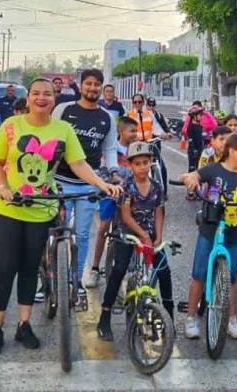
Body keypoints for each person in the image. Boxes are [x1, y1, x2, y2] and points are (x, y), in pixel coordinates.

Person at [0, 78, 121, 357]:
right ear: (29, 98)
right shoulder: (11, 126)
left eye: (47, 94)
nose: (42, 98)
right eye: (36, 93)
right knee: (5, 268)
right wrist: (4, 188)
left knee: (29, 268)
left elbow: (78, 163)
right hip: (8, 209)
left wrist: (101, 184)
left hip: (42, 210)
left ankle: (23, 325)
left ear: (54, 98)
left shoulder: (63, 129)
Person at [181, 133, 237, 340]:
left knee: (232, 278)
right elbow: (196, 175)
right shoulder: (214, 169)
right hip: (210, 230)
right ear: (232, 150)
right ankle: (191, 318)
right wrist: (191, 178)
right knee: (199, 274)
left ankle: (231, 318)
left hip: (234, 234)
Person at [96, 141, 172, 341]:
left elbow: (158, 212)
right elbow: (127, 217)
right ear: (130, 165)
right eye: (137, 163)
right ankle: (104, 318)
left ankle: (169, 315)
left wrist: (158, 236)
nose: (142, 167)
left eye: (146, 162)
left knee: (163, 270)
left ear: (151, 163)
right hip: (127, 232)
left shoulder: (156, 187)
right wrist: (143, 236)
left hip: (148, 234)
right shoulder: (126, 188)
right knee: (119, 270)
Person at [51, 69, 118, 294]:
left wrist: (114, 171)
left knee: (82, 236)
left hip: (88, 185)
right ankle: (48, 282)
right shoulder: (63, 110)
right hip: (58, 182)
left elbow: (109, 149)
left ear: (101, 87)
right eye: (88, 84)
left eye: (97, 84)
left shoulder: (106, 117)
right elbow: (49, 139)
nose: (92, 88)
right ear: (81, 86)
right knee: (53, 233)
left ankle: (76, 282)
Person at [88, 115, 139, 285]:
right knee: (103, 228)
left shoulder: (137, 149)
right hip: (110, 193)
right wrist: (111, 184)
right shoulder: (110, 150)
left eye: (136, 131)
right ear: (120, 131)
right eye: (132, 131)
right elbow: (102, 171)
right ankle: (95, 268)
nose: (135, 134)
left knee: (134, 229)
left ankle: (133, 269)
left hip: (129, 197)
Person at [185, 106, 206, 175]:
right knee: (192, 168)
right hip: (193, 150)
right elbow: (191, 139)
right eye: (200, 115)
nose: (202, 116)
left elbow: (201, 137)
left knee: (199, 168)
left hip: (200, 149)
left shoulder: (200, 126)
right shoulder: (191, 127)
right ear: (194, 116)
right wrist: (194, 150)